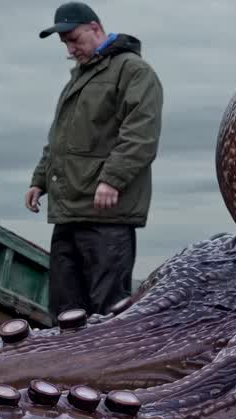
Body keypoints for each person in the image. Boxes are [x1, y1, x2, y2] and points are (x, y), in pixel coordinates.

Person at [26, 2, 163, 317]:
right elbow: (59, 138)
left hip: (107, 218)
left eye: (75, 39)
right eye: (66, 44)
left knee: (107, 312)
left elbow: (141, 134)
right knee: (64, 314)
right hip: (68, 212)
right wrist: (39, 180)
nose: (71, 49)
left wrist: (112, 179)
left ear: (94, 28)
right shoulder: (78, 79)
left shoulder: (133, 71)